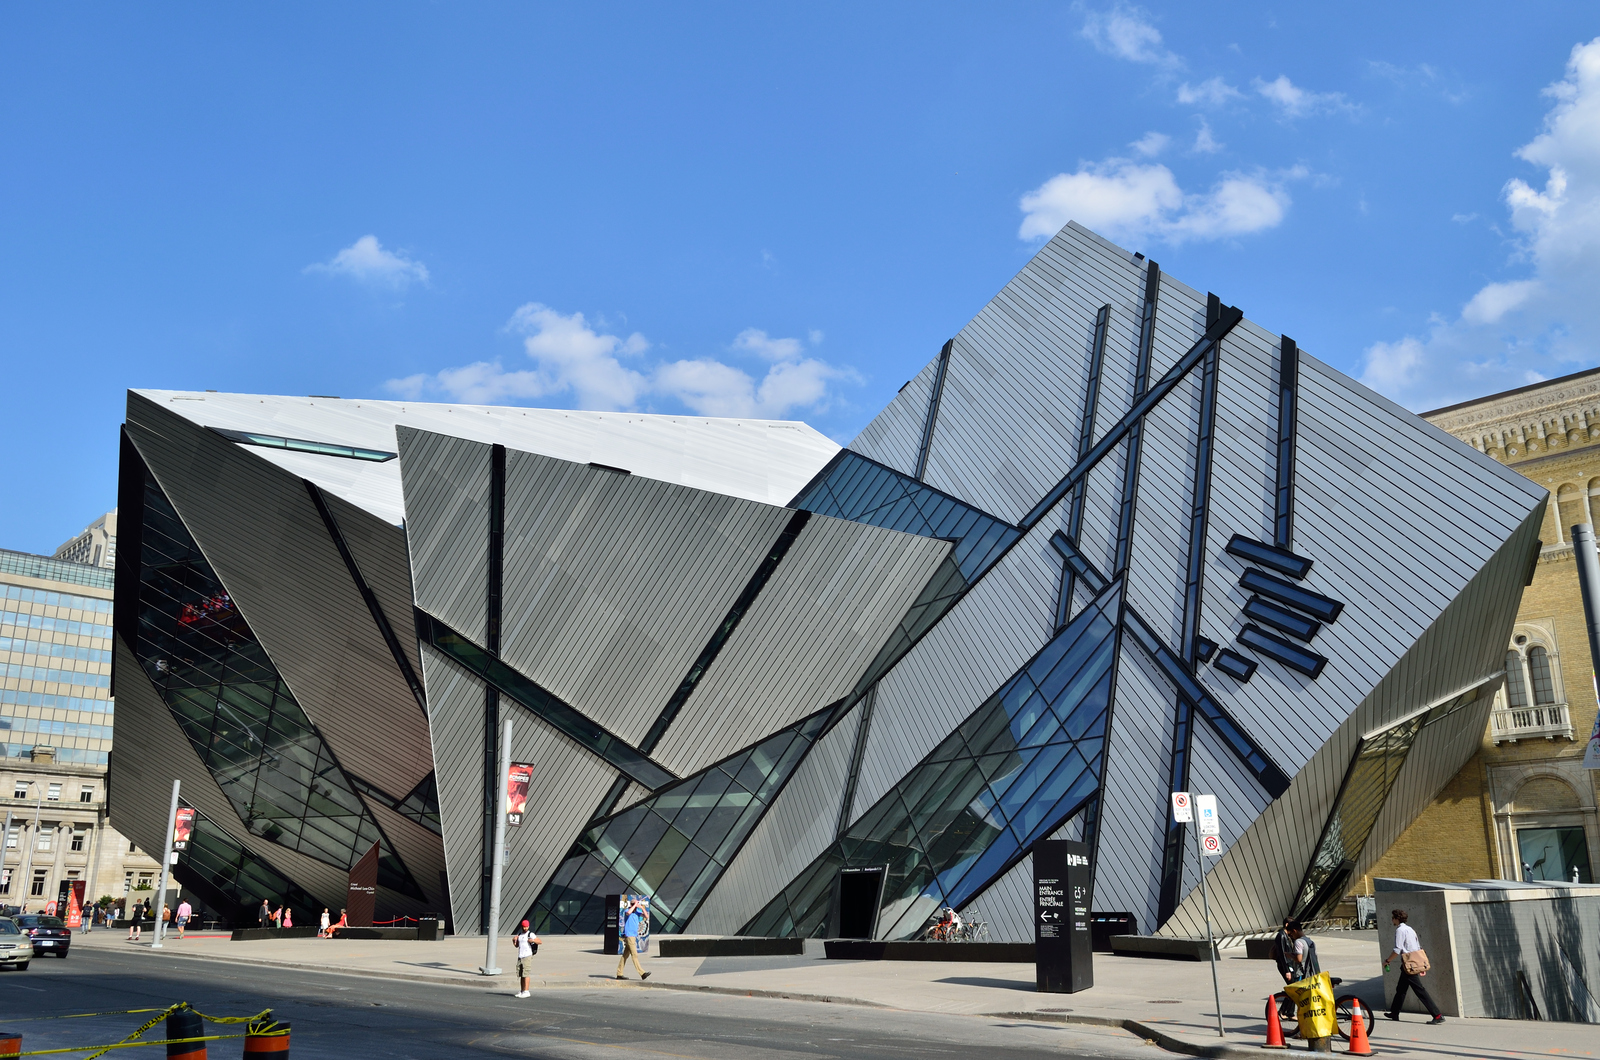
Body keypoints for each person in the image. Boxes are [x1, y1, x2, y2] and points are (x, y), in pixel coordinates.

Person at [1384, 909, 1444, 1024]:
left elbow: (1397, 950)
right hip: (1412, 963)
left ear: (1397, 919)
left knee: (1419, 990)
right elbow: (1417, 947)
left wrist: (1387, 960)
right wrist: (1420, 965)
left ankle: (1437, 1015)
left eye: (1393, 918)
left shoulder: (1400, 930)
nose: (1392, 920)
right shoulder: (1410, 929)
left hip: (1409, 964)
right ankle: (1394, 1012)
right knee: (1401, 989)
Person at [614, 898, 650, 980]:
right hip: (629, 935)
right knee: (635, 954)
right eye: (633, 904)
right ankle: (642, 973)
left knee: (625, 955)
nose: (635, 906)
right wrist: (634, 905)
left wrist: (641, 907)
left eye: (635, 904)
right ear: (631, 904)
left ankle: (619, 973)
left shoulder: (638, 912)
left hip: (633, 935)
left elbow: (646, 916)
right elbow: (628, 912)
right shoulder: (628, 910)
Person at [512, 919, 540, 998]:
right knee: (521, 974)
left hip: (527, 956)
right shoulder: (520, 935)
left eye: (526, 926)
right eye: (524, 927)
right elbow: (517, 945)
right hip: (520, 956)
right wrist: (514, 941)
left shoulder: (530, 934)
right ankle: (522, 990)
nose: (525, 928)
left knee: (526, 974)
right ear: (522, 926)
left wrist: (533, 940)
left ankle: (526, 991)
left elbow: (540, 941)